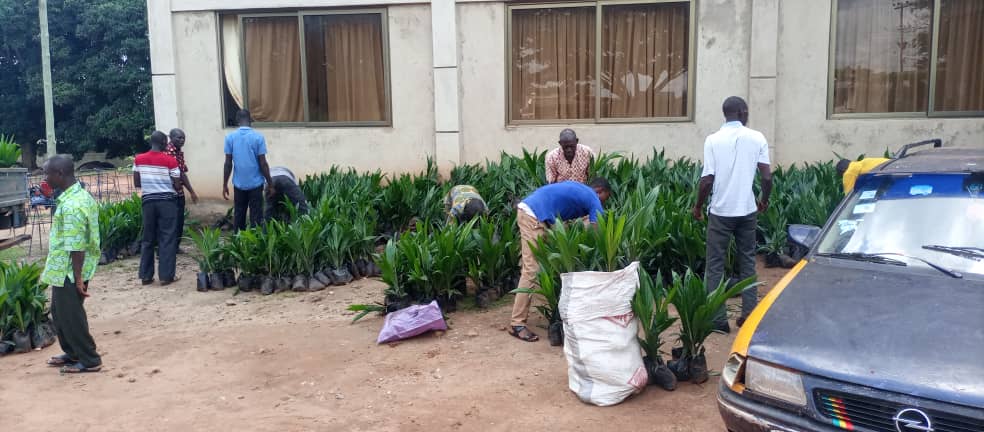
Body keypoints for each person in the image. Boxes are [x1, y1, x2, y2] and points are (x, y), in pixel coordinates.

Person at [692, 96, 772, 333]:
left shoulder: (713, 140)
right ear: (742, 111)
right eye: (746, 111)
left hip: (720, 212)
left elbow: (707, 180)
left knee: (715, 265)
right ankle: (748, 315)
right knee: (747, 261)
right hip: (747, 210)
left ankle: (718, 320)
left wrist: (697, 206)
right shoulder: (757, 137)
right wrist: (763, 200)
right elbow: (767, 177)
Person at [509, 178, 611, 342]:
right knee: (531, 270)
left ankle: (553, 309)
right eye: (606, 198)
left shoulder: (581, 190)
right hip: (533, 216)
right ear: (600, 192)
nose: (603, 204)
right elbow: (596, 232)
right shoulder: (593, 198)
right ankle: (517, 324)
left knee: (553, 262)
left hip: (541, 215)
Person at [39, 155, 103, 373]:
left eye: (46, 172)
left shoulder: (74, 205)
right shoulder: (71, 197)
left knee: (71, 315)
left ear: (60, 174)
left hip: (71, 270)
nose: (44, 177)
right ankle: (73, 352)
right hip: (63, 268)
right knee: (59, 312)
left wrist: (78, 279)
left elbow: (77, 247)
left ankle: (89, 359)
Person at [134, 131, 182, 286]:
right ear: (162, 142)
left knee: (148, 238)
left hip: (148, 202)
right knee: (167, 237)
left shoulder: (139, 159)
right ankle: (166, 276)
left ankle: (146, 276)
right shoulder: (170, 160)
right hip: (167, 202)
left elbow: (137, 183)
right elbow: (177, 183)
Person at [223, 110, 274, 231]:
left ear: (237, 121)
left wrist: (224, 184)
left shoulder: (230, 138)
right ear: (250, 120)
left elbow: (228, 163)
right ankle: (254, 244)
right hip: (255, 184)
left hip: (239, 184)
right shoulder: (258, 137)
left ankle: (238, 243)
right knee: (256, 216)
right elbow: (263, 164)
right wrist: (271, 184)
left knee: (239, 214)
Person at [165, 128, 199, 249]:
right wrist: (192, 192)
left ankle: (175, 246)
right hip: (173, 192)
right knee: (175, 221)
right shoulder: (170, 151)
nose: (182, 140)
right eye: (179, 137)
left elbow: (183, 170)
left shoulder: (177, 151)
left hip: (177, 191)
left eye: (183, 138)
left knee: (178, 220)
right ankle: (172, 247)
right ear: (171, 137)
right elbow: (180, 174)